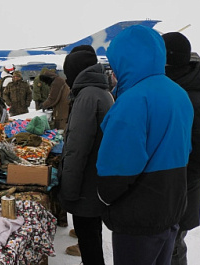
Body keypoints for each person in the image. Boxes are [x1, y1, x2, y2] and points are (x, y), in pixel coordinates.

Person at [96, 25, 194, 265]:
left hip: (138, 216)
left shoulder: (134, 100)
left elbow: (118, 168)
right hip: (171, 207)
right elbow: (186, 148)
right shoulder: (179, 93)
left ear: (125, 59)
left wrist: (104, 196)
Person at [58, 45, 114, 264]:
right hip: (94, 182)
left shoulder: (88, 97)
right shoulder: (99, 92)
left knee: (89, 244)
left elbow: (77, 150)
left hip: (85, 188)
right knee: (92, 239)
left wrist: (68, 193)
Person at [162, 32, 200, 265]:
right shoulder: (180, 86)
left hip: (179, 191)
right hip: (172, 189)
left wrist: (177, 178)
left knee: (173, 248)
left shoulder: (190, 96)